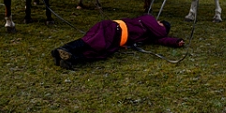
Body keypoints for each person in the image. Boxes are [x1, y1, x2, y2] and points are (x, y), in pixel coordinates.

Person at [51, 14, 185, 70]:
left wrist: (176, 41)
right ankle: (65, 49)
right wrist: (162, 29)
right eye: (160, 26)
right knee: (92, 42)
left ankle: (69, 57)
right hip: (113, 29)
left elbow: (162, 39)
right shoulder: (149, 19)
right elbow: (161, 34)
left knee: (101, 52)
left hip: (115, 38)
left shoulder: (151, 34)